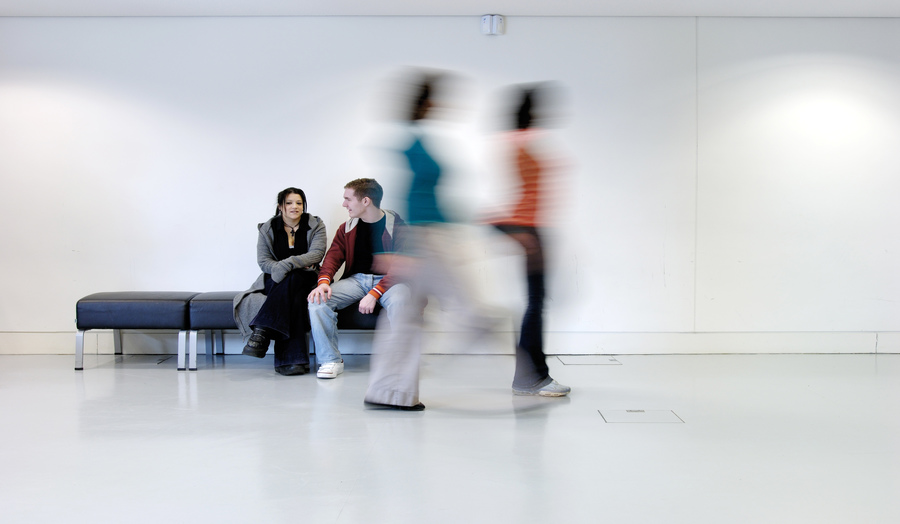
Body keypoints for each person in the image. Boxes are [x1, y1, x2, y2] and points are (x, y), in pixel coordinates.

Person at [364, 72, 493, 411]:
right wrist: (398, 248)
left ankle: (388, 392)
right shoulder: (413, 144)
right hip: (424, 239)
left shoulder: (416, 140)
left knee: (405, 319)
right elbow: (410, 194)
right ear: (426, 103)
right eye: (437, 99)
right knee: (465, 309)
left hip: (425, 237)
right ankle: (466, 340)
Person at [490, 85, 570, 397]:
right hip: (530, 229)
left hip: (532, 228)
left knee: (536, 303)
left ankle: (532, 375)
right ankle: (532, 377)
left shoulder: (521, 144)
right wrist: (522, 232)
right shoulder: (522, 146)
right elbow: (523, 194)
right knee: (535, 304)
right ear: (532, 113)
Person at [307, 178, 410, 380]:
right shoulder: (347, 227)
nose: (344, 204)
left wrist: (375, 292)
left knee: (402, 300)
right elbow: (333, 257)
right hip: (356, 280)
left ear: (365, 201)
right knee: (317, 302)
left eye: (348, 199)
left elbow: (402, 265)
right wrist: (324, 282)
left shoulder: (396, 225)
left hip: (391, 281)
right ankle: (330, 360)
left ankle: (401, 363)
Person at [233, 187, 326, 376]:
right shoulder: (267, 228)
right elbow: (263, 261)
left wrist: (288, 264)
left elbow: (316, 254)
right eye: (289, 203)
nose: (295, 207)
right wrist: (282, 269)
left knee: (296, 281)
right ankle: (294, 361)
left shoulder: (315, 224)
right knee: (295, 296)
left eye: (299, 203)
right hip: (275, 279)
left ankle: (262, 331)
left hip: (307, 278)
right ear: (280, 206)